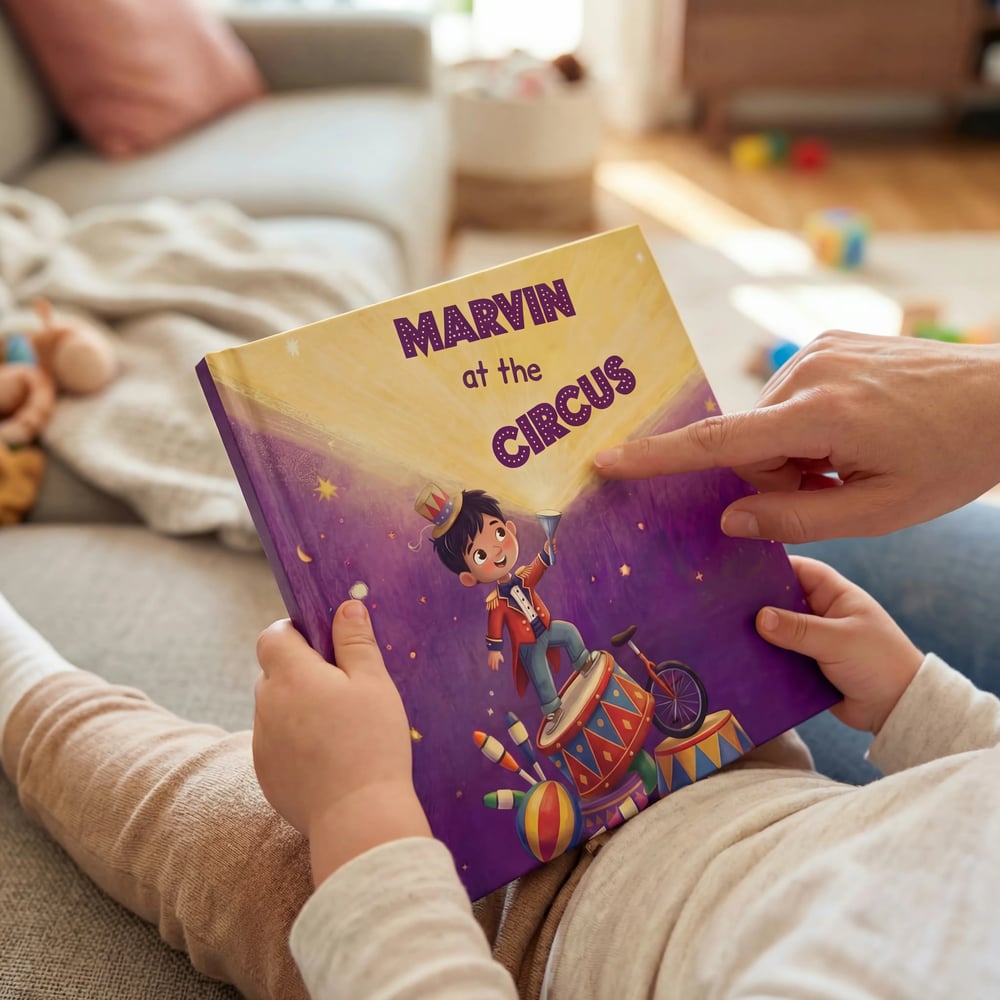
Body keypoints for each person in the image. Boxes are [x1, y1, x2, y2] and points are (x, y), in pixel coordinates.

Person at [2, 330, 999, 998]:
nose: (494, 552)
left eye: (491, 546)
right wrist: (918, 700)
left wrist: (358, 818)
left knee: (198, 828)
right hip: (749, 776)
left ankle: (20, 689)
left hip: (504, 934)